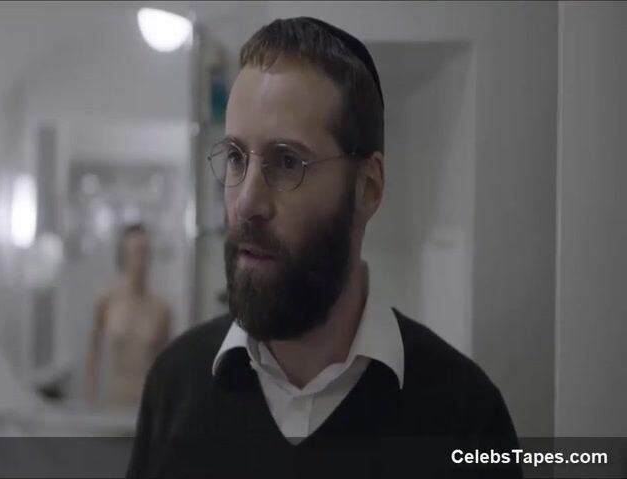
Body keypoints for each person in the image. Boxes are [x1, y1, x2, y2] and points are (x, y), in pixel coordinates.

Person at [127, 17, 522, 478]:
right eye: (235, 157)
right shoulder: (174, 388)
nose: (246, 203)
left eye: (287, 161)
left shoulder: (465, 417)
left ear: (368, 188)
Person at [86, 223, 171, 409]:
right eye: (136, 253)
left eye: (145, 252)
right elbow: (93, 355)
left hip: (148, 403)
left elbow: (167, 366)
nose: (141, 261)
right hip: (117, 401)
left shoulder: (161, 309)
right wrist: (91, 400)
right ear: (124, 256)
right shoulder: (107, 301)